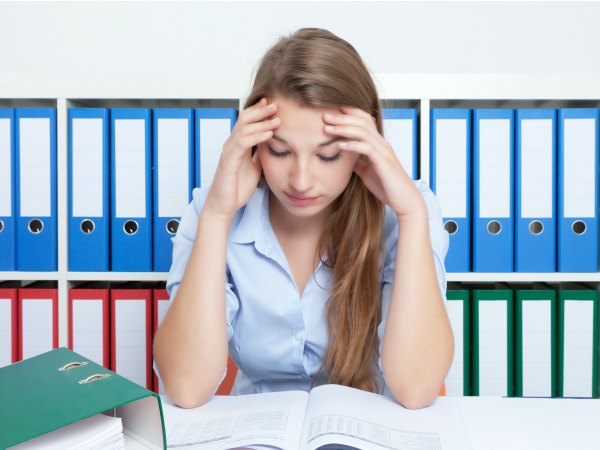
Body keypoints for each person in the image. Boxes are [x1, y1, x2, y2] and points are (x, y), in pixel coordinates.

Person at [153, 27, 453, 410]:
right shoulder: (212, 209)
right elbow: (185, 387)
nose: (301, 181)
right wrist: (216, 216)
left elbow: (416, 388)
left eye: (327, 157)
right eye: (279, 152)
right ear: (254, 142)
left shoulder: (409, 210)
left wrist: (411, 216)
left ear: (363, 147)